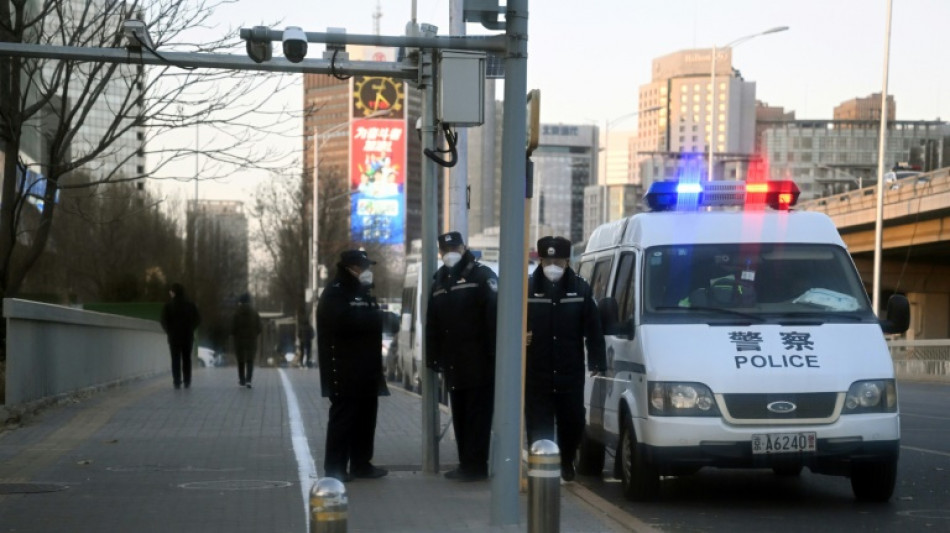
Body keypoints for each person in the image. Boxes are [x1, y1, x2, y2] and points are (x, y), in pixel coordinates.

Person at [525, 236, 606, 482]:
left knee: (572, 420)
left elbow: (594, 328)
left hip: (569, 370)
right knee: (539, 423)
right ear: (540, 261)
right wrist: (520, 337)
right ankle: (541, 466)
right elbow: (512, 322)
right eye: (547, 260)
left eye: (557, 261)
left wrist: (597, 361)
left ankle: (567, 459)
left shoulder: (580, 289)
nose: (552, 266)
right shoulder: (527, 289)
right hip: (536, 370)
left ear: (567, 262)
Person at [425, 231, 499, 481]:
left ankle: (476, 466)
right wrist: (433, 357)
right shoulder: (439, 280)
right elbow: (432, 323)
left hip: (480, 362)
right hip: (454, 362)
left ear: (464, 247)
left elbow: (494, 318)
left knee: (478, 416)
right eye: (445, 251)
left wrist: (494, 356)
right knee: (460, 415)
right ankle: (465, 463)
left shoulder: (481, 276)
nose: (449, 254)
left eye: (454, 248)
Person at [317, 249, 388, 482]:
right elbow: (342, 322)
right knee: (343, 419)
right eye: (364, 267)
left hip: (367, 369)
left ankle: (361, 464)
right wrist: (378, 318)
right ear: (352, 268)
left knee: (366, 420)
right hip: (344, 369)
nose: (368, 272)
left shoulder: (364, 293)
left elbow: (371, 322)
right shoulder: (335, 293)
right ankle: (335, 467)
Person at [160, 283, 201, 390]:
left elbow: (163, 321)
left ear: (173, 292)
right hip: (187, 336)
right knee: (187, 359)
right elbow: (198, 319)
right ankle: (187, 381)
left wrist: (169, 331)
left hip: (174, 337)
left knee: (175, 359)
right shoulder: (190, 305)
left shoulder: (168, 306)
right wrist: (191, 328)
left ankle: (177, 381)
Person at [231, 293, 262, 388]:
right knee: (250, 360)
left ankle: (242, 379)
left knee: (241, 360)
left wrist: (235, 335)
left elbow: (232, 328)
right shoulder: (254, 313)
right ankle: (249, 379)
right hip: (251, 341)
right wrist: (254, 334)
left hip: (239, 341)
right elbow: (260, 327)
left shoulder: (236, 313)